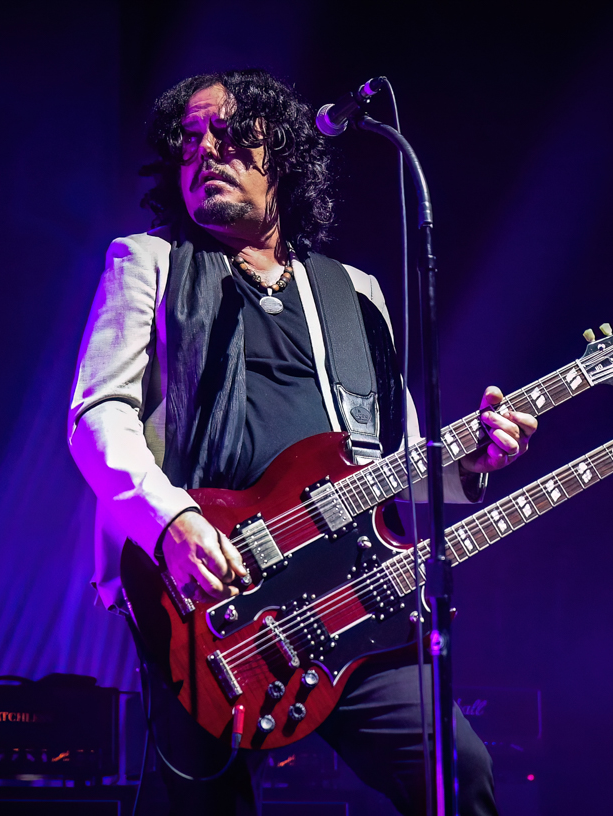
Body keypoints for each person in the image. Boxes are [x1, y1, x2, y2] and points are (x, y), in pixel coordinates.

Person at [68, 69, 538, 816]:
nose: (205, 151)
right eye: (188, 141)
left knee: (456, 771)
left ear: (283, 155)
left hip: (344, 593)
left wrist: (471, 461)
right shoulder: (147, 262)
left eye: (230, 136)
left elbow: (394, 462)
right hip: (207, 595)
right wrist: (171, 520)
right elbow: (98, 414)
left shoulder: (356, 291)